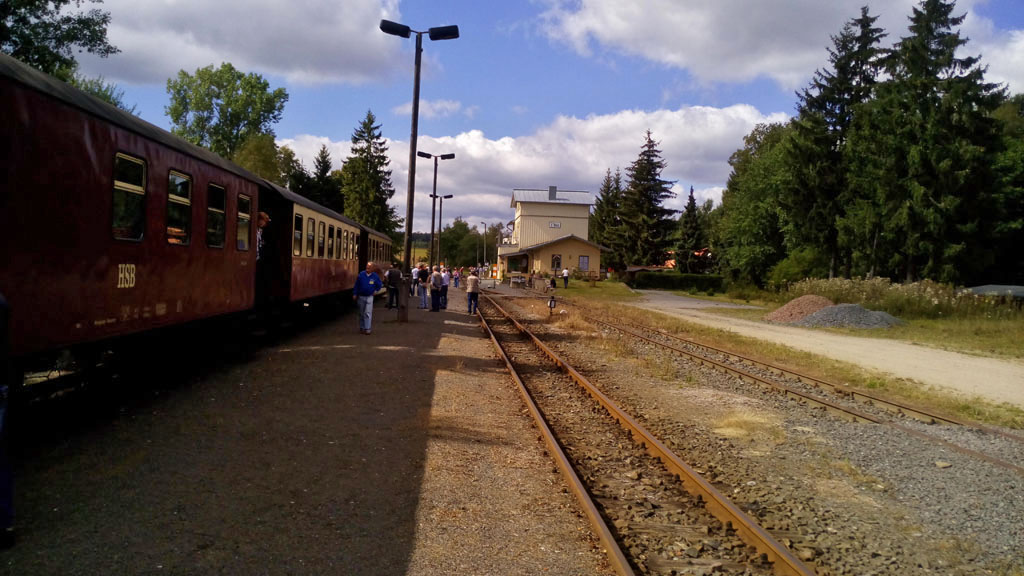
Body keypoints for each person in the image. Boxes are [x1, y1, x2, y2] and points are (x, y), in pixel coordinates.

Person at [353, 262, 381, 335]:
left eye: (369, 267)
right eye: (367, 267)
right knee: (361, 313)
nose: (367, 268)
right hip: (361, 296)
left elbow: (379, 285)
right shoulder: (361, 274)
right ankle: (362, 327)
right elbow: (357, 285)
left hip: (369, 296)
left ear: (373, 269)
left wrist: (376, 291)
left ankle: (367, 328)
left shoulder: (375, 276)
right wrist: (355, 293)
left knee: (368, 313)